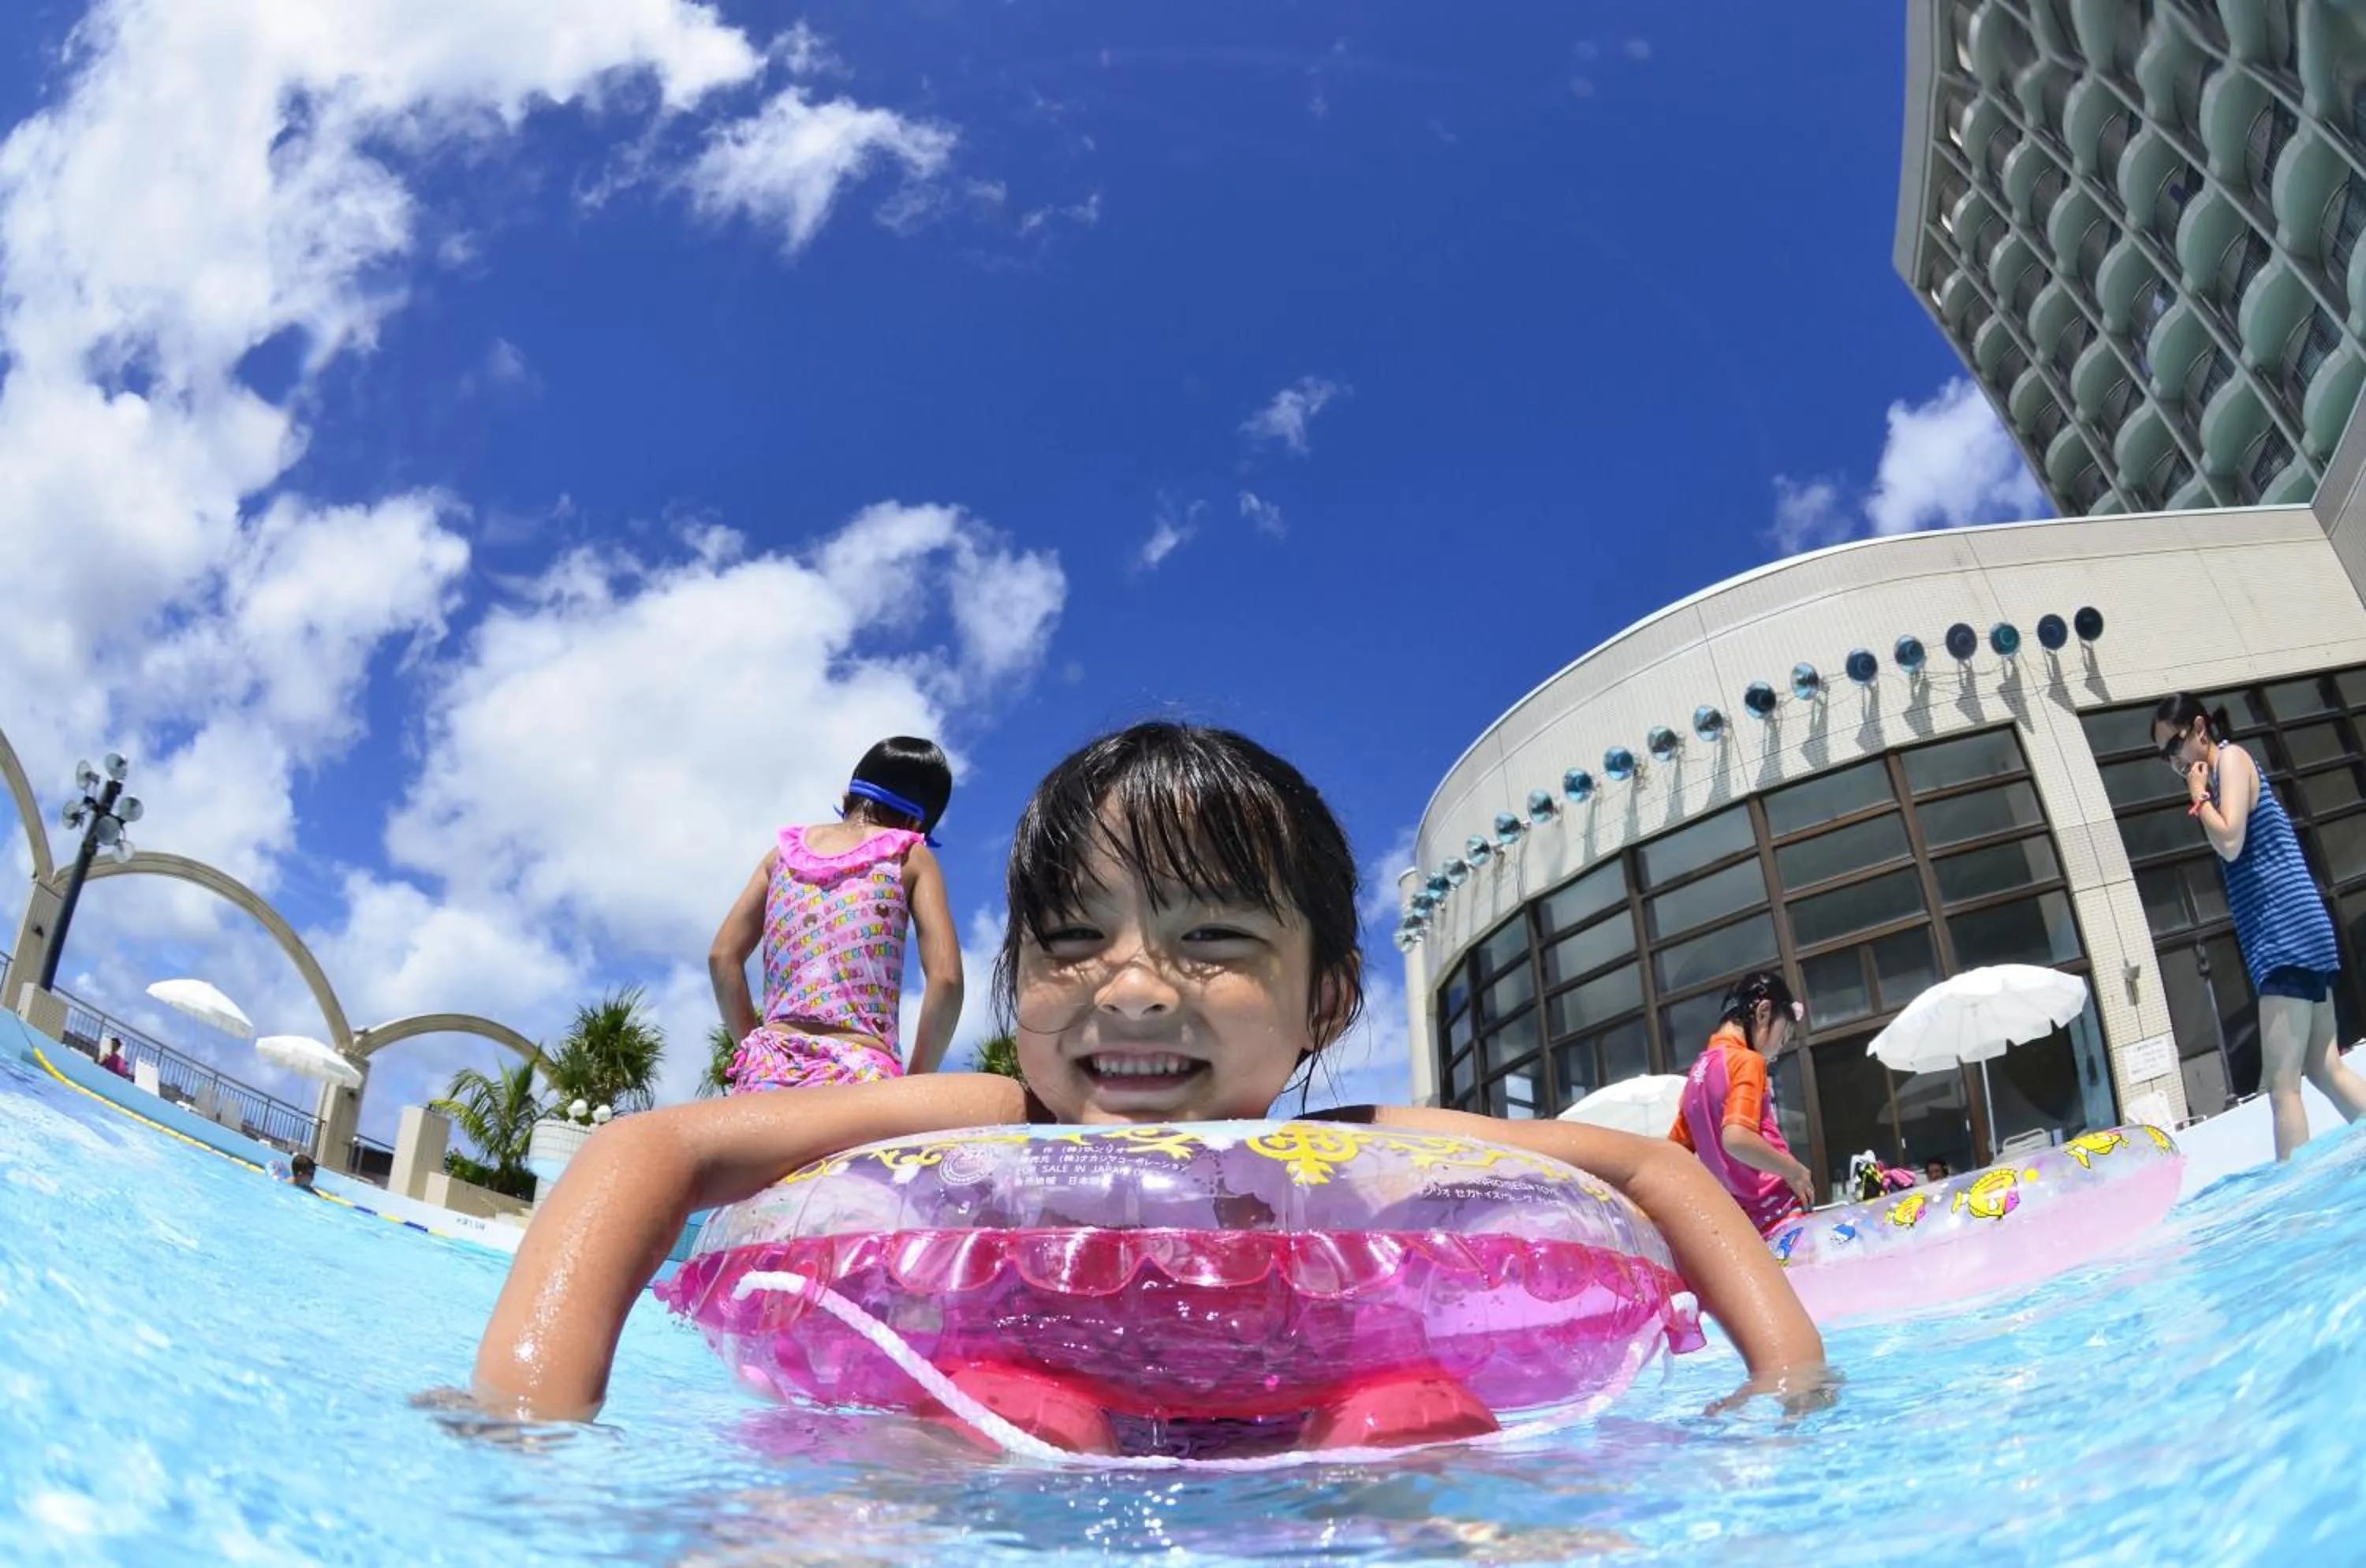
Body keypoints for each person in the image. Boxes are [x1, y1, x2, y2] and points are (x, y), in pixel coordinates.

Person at [475, 722, 1828, 1445]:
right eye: (1074, 941)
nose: (1130, 985)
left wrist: (1787, 1390)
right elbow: (647, 1150)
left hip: (1314, 1429)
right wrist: (525, 1421)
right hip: (1018, 1417)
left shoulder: (1358, 1138)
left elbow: (1654, 1168)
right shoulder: (995, 1114)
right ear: (1019, 987)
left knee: (1413, 1413)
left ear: (1326, 1002)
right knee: (1007, 1410)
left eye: (1212, 939)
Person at [2155, 693, 2366, 1159]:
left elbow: (2230, 840)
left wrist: (2196, 800)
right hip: (2298, 926)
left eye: (2173, 747)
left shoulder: (2231, 758)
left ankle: (2297, 1203)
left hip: (2284, 930)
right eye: (2163, 755)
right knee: (2324, 1066)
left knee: (2281, 1086)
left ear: (2199, 728)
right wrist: (2201, 800)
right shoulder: (2217, 777)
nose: (2171, 761)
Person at [707, 737, 963, 1092]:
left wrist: (755, 1052)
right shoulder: (909, 857)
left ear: (848, 797)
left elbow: (723, 957)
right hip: (859, 1073)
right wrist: (913, 1085)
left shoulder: (780, 856)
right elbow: (946, 980)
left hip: (770, 1069)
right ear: (916, 825)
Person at [1669, 970, 1817, 1235]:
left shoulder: (1696, 1076)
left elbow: (1674, 1154)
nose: (1776, 1053)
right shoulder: (1747, 1061)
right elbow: (1737, 1138)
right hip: (1780, 1209)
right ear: (1763, 1012)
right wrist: (1794, 1171)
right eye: (1782, 1038)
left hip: (1743, 1225)